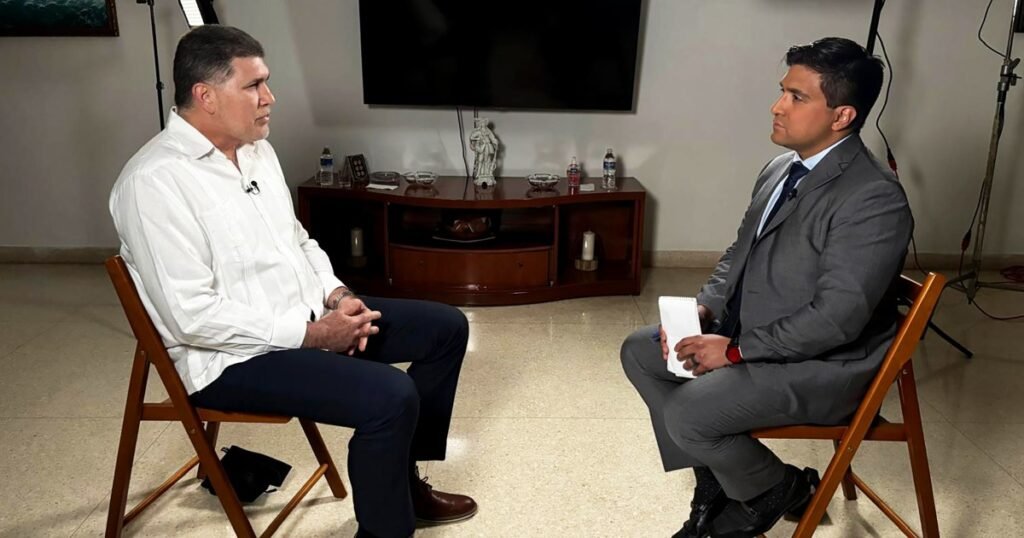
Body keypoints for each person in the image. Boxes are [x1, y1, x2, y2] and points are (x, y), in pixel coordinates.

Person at [109, 25, 476, 538]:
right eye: (254, 85)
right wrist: (314, 335)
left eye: (266, 82)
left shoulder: (257, 150)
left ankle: (402, 486)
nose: (270, 97)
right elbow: (192, 316)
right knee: (392, 398)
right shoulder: (153, 183)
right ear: (206, 96)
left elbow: (298, 241)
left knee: (446, 328)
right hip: (230, 358)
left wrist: (337, 295)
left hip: (306, 317)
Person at [620, 37, 912, 538]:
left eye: (797, 97)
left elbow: (836, 320)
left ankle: (766, 490)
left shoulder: (873, 198)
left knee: (688, 413)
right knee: (640, 351)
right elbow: (739, 253)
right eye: (782, 91)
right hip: (759, 336)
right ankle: (745, 483)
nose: (777, 106)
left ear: (842, 116)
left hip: (824, 366)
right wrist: (705, 309)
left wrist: (734, 351)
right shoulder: (780, 169)